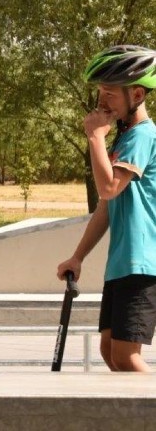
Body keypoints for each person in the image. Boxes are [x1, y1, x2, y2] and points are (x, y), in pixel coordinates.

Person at [57, 44, 156, 372]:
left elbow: (109, 186)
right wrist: (78, 256)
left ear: (137, 95)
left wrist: (95, 138)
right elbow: (106, 206)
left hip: (141, 264)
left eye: (110, 92)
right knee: (110, 352)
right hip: (122, 264)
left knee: (127, 357)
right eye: (100, 91)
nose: (101, 100)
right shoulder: (125, 140)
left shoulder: (142, 137)